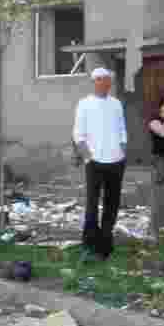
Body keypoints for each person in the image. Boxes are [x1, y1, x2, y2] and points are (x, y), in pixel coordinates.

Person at [73, 67, 127, 262]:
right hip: (95, 161)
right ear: (94, 82)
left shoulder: (116, 104)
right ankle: (89, 244)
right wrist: (87, 156)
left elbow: (122, 129)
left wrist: (122, 148)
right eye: (102, 80)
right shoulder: (84, 104)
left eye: (108, 80)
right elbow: (78, 134)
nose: (106, 84)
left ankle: (105, 245)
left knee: (112, 204)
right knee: (92, 204)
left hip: (116, 160)